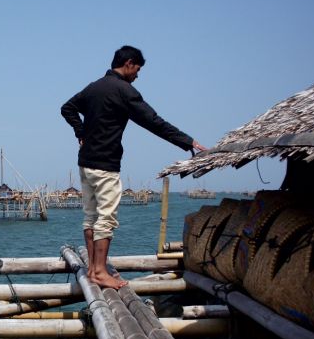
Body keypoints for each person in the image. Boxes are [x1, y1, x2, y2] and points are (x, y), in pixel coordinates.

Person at [61, 45, 206, 289]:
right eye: (137, 70)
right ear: (128, 64)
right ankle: (98, 272)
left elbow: (67, 108)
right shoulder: (124, 91)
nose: (137, 75)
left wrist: (81, 132)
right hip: (106, 164)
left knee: (91, 217)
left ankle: (94, 268)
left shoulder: (94, 87)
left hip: (85, 163)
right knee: (106, 219)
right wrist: (188, 141)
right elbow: (154, 122)